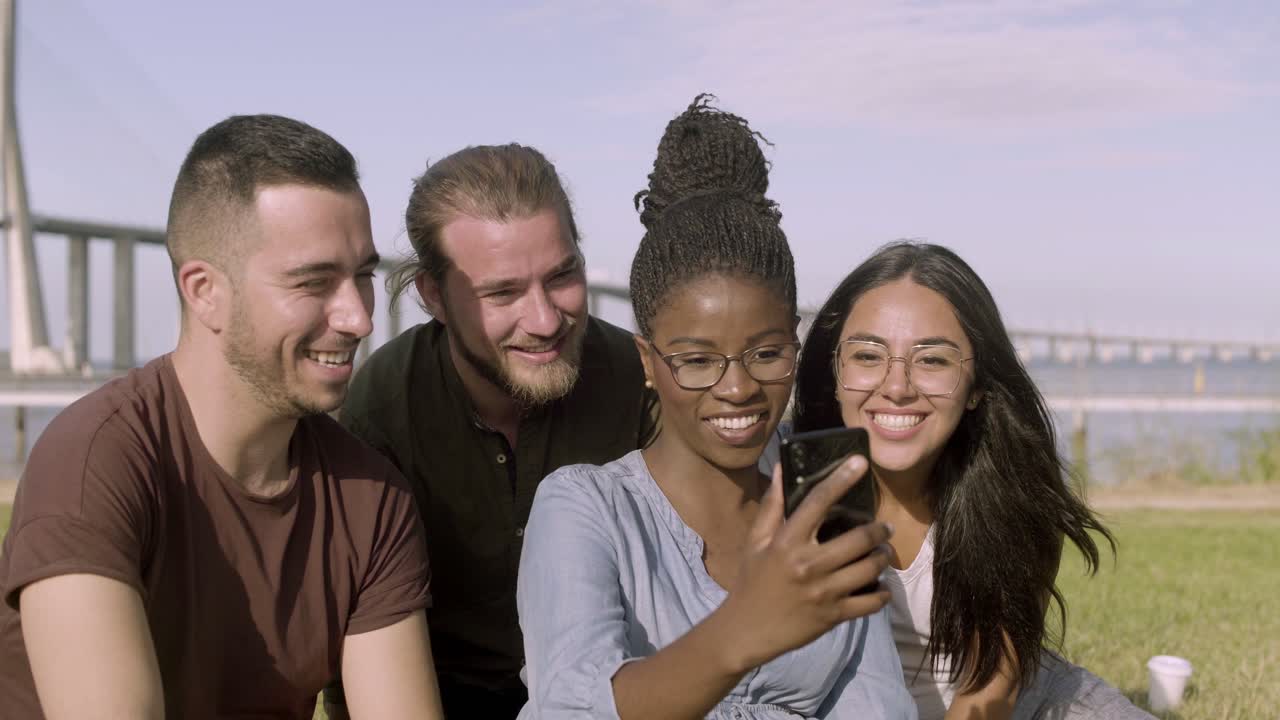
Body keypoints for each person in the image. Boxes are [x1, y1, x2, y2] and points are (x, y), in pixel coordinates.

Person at [0, 115, 444, 719]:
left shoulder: (371, 499)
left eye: (362, 276)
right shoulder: (93, 464)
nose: (359, 319)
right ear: (204, 290)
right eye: (314, 281)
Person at [516, 95, 917, 719]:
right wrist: (742, 631)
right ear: (649, 363)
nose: (737, 390)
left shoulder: (823, 495)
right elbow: (570, 709)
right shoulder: (584, 508)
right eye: (698, 361)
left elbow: (877, 705)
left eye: (765, 354)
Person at [323, 143, 657, 719]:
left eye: (563, 276)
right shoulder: (379, 410)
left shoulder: (642, 381)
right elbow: (351, 651)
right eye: (502, 293)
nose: (546, 320)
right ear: (434, 297)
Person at [792, 242, 1153, 719]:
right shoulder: (794, 475)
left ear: (977, 386)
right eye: (867, 355)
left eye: (933, 360)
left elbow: (990, 691)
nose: (896, 387)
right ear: (834, 372)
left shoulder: (1015, 492)